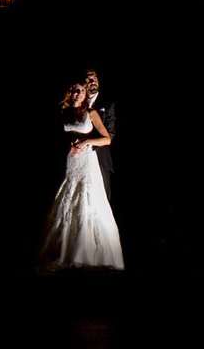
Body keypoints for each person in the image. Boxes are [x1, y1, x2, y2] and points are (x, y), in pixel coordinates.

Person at [38, 82, 124, 271]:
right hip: (68, 161)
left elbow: (106, 138)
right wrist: (66, 145)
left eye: (82, 91)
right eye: (75, 90)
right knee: (66, 198)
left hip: (86, 161)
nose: (78, 93)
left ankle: (87, 252)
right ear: (69, 92)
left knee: (87, 198)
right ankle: (63, 250)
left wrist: (86, 141)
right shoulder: (62, 113)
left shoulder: (91, 113)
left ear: (86, 95)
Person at [83, 69, 116, 203]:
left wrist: (87, 144)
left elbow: (110, 134)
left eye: (95, 79)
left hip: (100, 158)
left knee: (102, 200)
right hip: (78, 158)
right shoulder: (77, 100)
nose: (93, 82)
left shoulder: (107, 104)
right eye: (89, 79)